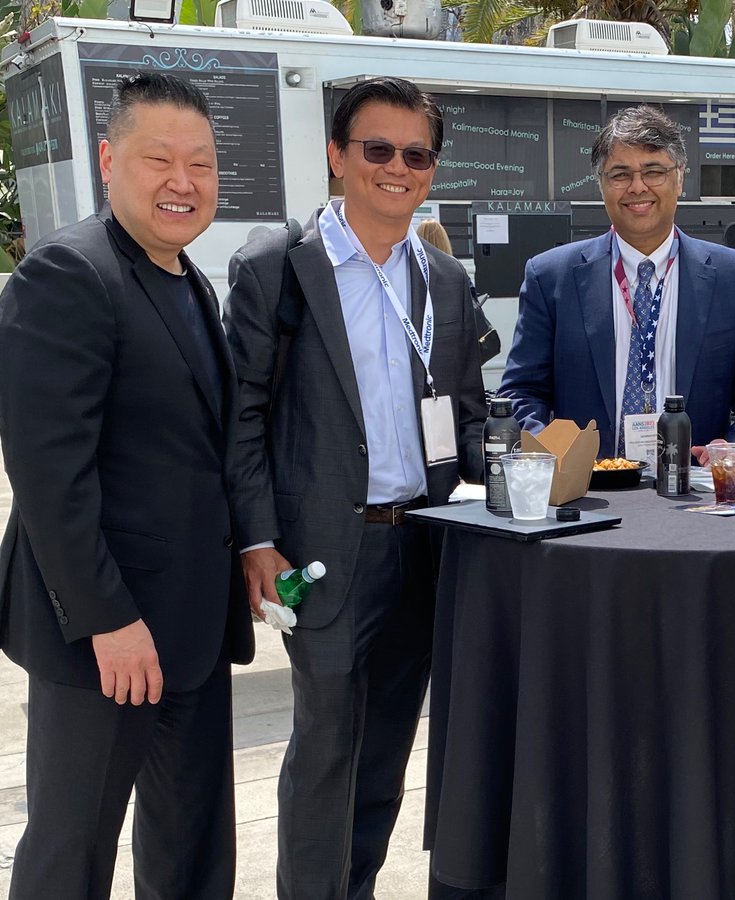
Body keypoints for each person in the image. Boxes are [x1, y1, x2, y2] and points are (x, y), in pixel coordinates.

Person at [223, 76, 486, 899]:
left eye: (416, 154)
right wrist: (257, 539)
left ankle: (359, 886)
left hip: (424, 546)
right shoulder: (279, 267)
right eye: (377, 150)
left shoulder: (444, 281)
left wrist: (537, 463)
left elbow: (469, 414)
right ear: (338, 157)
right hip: (324, 551)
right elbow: (244, 417)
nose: (396, 168)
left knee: (387, 750)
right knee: (328, 745)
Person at [0, 72, 254, 898]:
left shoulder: (188, 278)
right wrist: (108, 618)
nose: (184, 182)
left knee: (191, 846)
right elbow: (47, 473)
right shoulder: (69, 274)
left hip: (190, 631)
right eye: (159, 160)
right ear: (111, 160)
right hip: (104, 641)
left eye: (202, 165)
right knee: (71, 857)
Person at [500, 104, 735, 459]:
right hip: (588, 497)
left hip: (695, 494)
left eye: (653, 171)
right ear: (602, 184)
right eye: (620, 174)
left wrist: (731, 450)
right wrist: (552, 453)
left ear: (680, 177)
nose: (637, 187)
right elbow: (521, 395)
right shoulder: (550, 279)